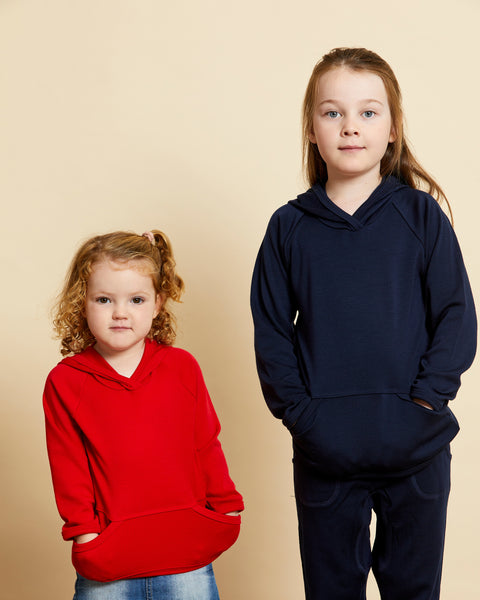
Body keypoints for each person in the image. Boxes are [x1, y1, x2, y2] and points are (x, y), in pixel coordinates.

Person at [250, 47, 476, 600]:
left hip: (416, 452)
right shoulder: (288, 228)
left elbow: (456, 316)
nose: (350, 127)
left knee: (414, 592)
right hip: (326, 453)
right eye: (333, 113)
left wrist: (426, 400)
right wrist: (304, 416)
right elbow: (272, 332)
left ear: (393, 128)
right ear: (311, 127)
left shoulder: (421, 217)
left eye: (368, 112)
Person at [44, 230, 243, 600]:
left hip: (186, 557)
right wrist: (86, 534)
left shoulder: (182, 367)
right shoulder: (65, 382)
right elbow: (68, 466)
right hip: (109, 560)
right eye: (103, 299)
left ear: (157, 303)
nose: (120, 312)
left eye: (136, 299)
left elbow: (205, 443)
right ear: (81, 303)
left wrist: (227, 505)